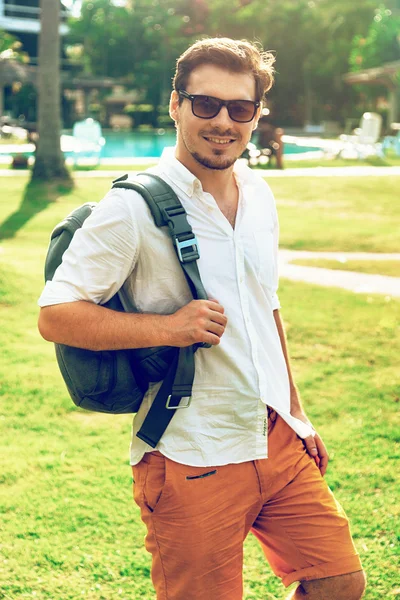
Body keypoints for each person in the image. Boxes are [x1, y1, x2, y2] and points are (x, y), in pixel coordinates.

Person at [37, 38, 366, 600]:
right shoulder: (131, 209)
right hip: (192, 452)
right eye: (205, 104)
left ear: (257, 114)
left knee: (339, 584)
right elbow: (56, 315)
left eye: (240, 108)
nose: (222, 121)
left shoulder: (259, 194)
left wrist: (298, 413)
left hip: (276, 440)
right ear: (176, 105)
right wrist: (168, 328)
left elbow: (267, 307)